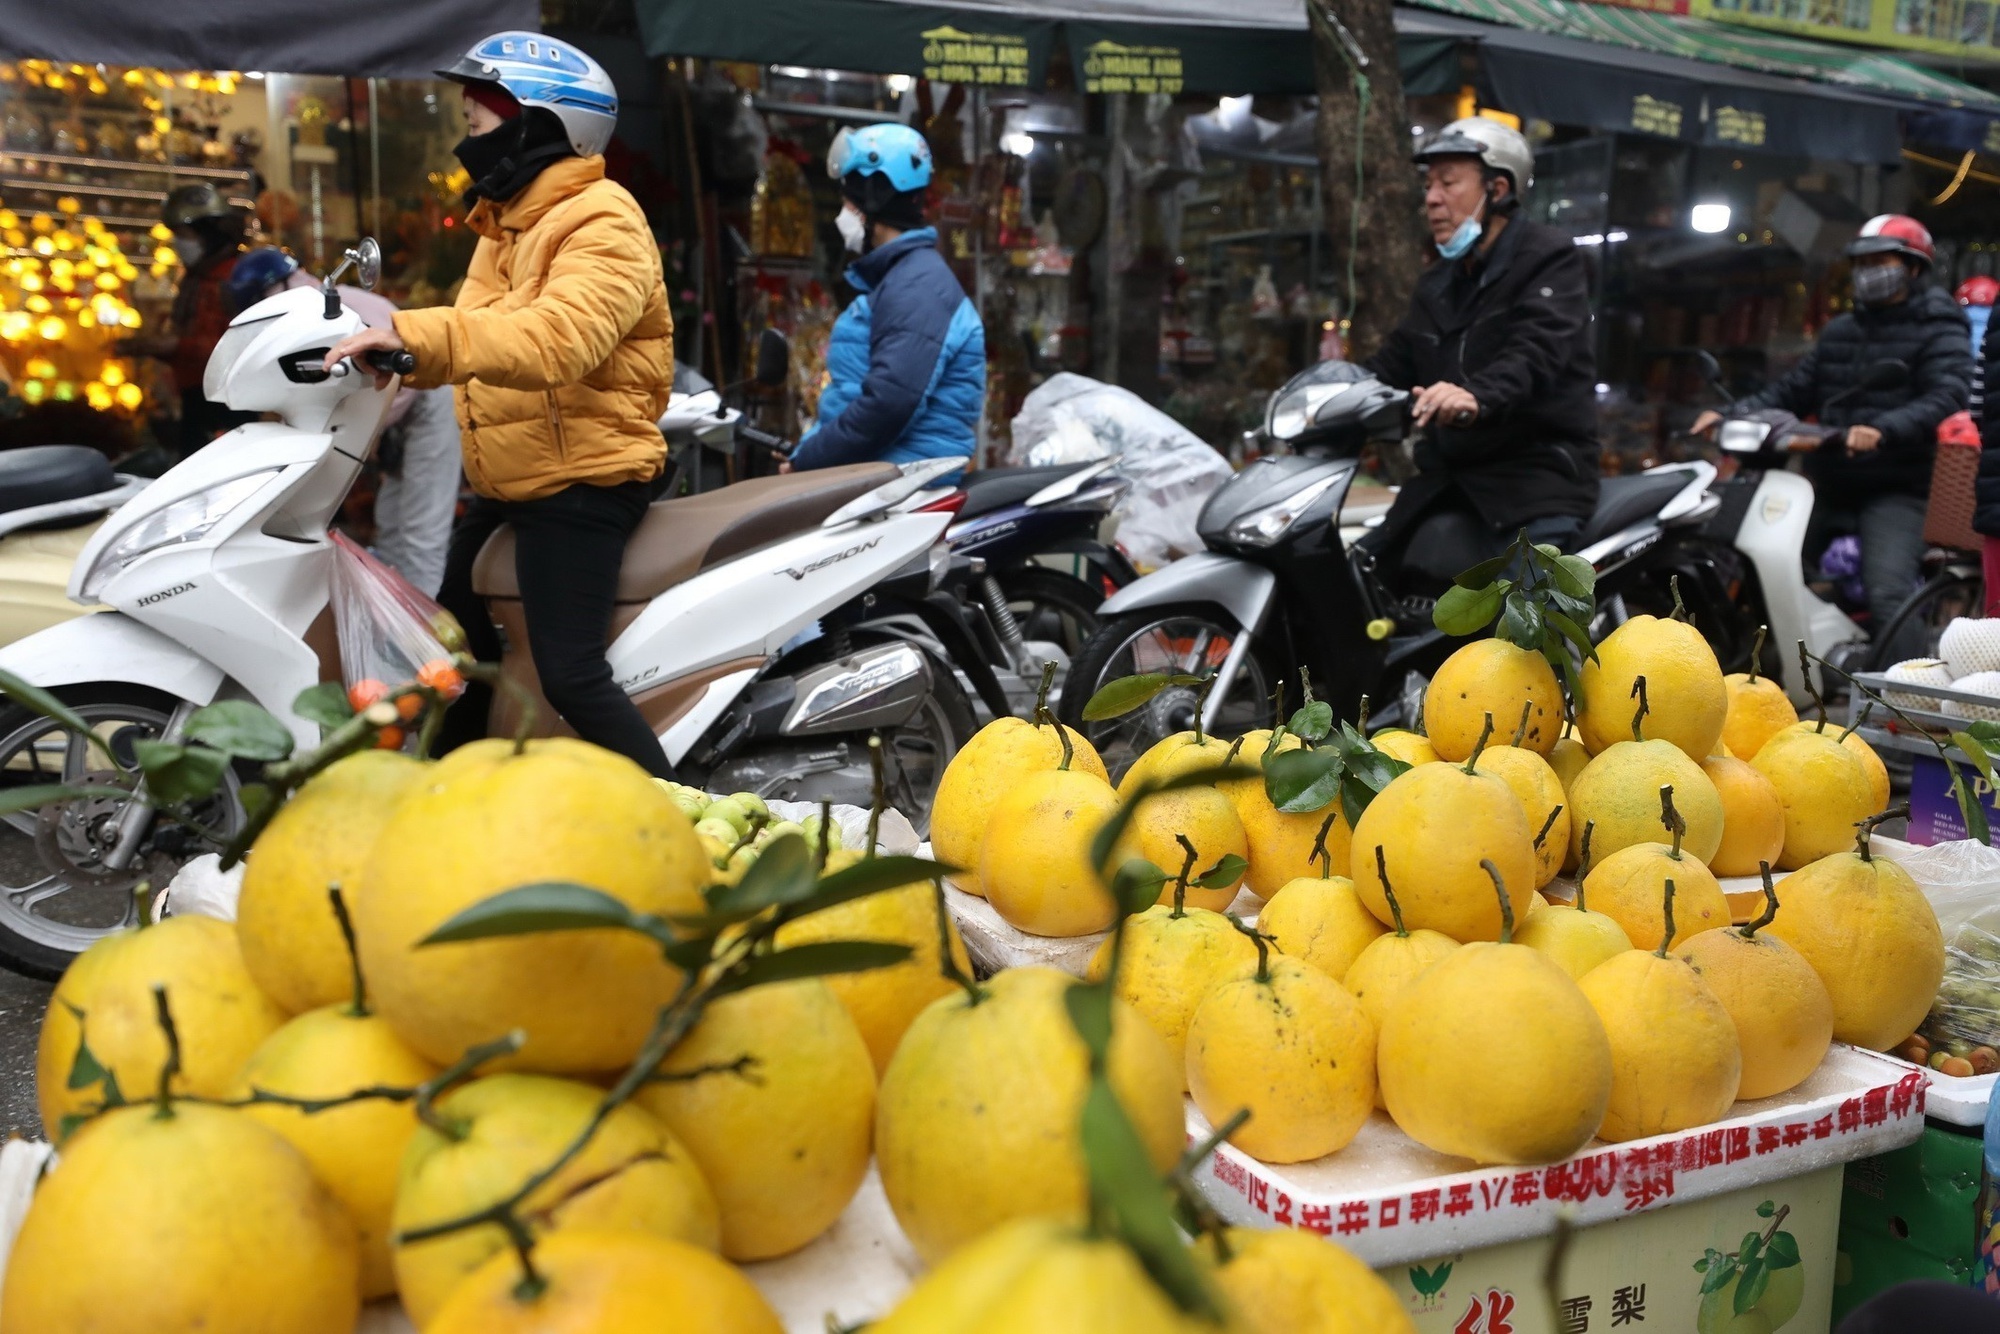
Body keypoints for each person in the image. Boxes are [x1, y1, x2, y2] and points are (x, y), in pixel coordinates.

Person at [321, 31, 676, 778]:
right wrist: (397, 350)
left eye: (478, 124)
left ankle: (687, 819)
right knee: (455, 654)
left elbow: (557, 341)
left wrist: (419, 336)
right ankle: (447, 803)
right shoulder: (505, 222)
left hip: (585, 481)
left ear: (541, 124)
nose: (467, 141)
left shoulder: (603, 221)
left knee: (570, 673)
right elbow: (486, 332)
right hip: (515, 480)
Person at [1695, 214, 1970, 635]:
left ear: (1913, 268)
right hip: (1829, 476)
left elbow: (1947, 394)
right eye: (1862, 263)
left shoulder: (1938, 326)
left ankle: (1903, 690)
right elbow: (1794, 389)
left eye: (1881, 262)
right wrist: (1733, 414)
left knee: (1888, 592)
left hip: (1896, 485)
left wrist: (1883, 429)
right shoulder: (1842, 330)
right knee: (1763, 568)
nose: (1867, 273)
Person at [1361, 117, 1600, 587]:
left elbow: (1535, 351)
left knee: (1521, 634)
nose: (1431, 199)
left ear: (1497, 188)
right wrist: (1328, 394)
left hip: (1535, 483)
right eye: (1429, 185)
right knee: (1362, 581)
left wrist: (1476, 396)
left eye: (1448, 183)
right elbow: (1391, 364)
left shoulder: (1549, 258)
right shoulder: (1437, 285)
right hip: (1450, 482)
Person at [229, 247, 462, 597]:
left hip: (426, 400)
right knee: (392, 522)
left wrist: (362, 434)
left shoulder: (331, 306)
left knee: (420, 529)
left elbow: (399, 370)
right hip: (396, 416)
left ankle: (425, 636)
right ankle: (397, 619)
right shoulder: (303, 310)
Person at [786, 123, 984, 476]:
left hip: (902, 491)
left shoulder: (918, 286)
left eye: (848, 199)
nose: (843, 213)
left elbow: (889, 405)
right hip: (880, 481)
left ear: (874, 196)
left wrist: (809, 460)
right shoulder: (902, 278)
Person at [124, 183, 256, 457]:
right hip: (198, 399)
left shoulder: (234, 277)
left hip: (227, 404)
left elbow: (233, 348)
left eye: (184, 235)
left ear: (207, 235)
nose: (178, 243)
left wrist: (174, 347)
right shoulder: (197, 277)